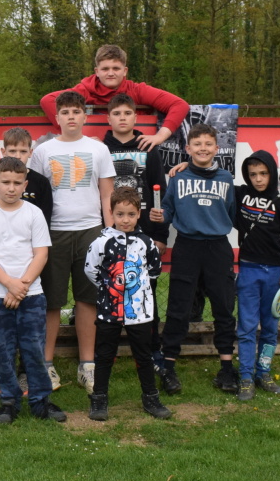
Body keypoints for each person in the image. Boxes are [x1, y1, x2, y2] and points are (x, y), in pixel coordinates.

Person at [29, 91, 115, 394]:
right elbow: (35, 196)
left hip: (91, 231)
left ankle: (87, 366)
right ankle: (46, 364)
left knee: (87, 299)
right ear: (57, 117)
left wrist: (109, 232)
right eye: (65, 112)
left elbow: (107, 195)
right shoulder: (43, 151)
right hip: (53, 233)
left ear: (85, 115)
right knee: (51, 301)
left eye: (76, 111)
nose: (71, 117)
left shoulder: (99, 149)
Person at [0, 157, 64, 423]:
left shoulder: (34, 213)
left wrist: (21, 286)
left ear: (25, 184)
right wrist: (9, 284)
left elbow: (41, 254)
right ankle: (9, 401)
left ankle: (40, 400)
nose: (11, 188)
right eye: (5, 182)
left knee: (34, 348)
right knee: (3, 349)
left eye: (17, 183)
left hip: (30, 294)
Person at [148, 123, 238, 396]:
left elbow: (231, 213)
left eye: (208, 144)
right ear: (188, 148)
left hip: (217, 247)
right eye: (197, 144)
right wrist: (160, 216)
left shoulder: (226, 178)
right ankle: (168, 367)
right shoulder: (178, 178)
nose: (203, 149)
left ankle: (226, 368)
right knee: (179, 308)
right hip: (187, 246)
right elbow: (168, 210)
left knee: (223, 307)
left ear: (217, 148)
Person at [83, 187, 172, 421]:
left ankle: (151, 398)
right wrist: (110, 288)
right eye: (120, 214)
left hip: (139, 312)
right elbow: (91, 269)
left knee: (143, 355)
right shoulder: (101, 242)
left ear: (138, 214)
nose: (125, 220)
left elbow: (154, 270)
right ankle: (99, 398)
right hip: (109, 309)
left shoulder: (147, 243)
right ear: (111, 213)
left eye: (131, 214)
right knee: (104, 355)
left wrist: (136, 291)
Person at [101, 93, 170, 372]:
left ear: (135, 117)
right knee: (109, 293)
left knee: (145, 294)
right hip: (111, 234)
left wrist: (160, 234)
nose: (122, 118)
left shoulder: (148, 148)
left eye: (127, 113)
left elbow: (159, 191)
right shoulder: (100, 149)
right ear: (108, 118)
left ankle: (152, 351)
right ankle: (105, 353)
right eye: (117, 113)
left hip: (144, 233)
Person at [0, 127, 53, 397]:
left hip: (29, 276)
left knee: (31, 335)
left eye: (23, 151)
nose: (18, 155)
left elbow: (41, 246)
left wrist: (21, 285)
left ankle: (30, 378)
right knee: (1, 338)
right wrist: (9, 284)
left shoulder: (39, 188)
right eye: (12, 150)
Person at [39, 44, 189, 152]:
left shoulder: (137, 90)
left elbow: (179, 104)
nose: (110, 73)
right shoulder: (84, 90)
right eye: (105, 69)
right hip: (93, 153)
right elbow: (48, 100)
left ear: (125, 71)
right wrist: (78, 137)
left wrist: (160, 136)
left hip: (132, 151)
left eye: (116, 68)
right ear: (97, 71)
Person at [234, 151, 280, 400]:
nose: (258, 179)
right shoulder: (240, 194)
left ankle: (264, 373)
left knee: (270, 327)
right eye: (253, 174)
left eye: (263, 173)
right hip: (248, 270)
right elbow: (212, 176)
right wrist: (187, 164)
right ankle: (245, 377)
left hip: (275, 274)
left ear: (272, 173)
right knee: (246, 327)